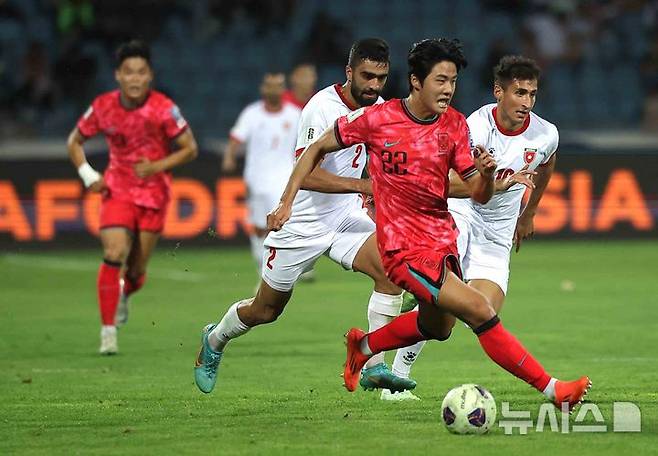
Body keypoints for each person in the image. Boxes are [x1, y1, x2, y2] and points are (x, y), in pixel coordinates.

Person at [268, 38, 590, 411]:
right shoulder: (378, 118)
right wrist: (286, 202)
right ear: (417, 81)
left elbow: (475, 192)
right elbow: (317, 148)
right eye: (440, 81)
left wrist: (486, 178)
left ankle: (364, 346)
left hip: (442, 241)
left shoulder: (453, 126)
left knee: (439, 327)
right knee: (481, 311)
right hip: (402, 248)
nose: (448, 90)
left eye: (453, 82)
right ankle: (554, 391)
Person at [194, 38, 414, 395]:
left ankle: (373, 365)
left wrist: (377, 190)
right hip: (303, 222)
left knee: (391, 272)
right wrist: (362, 188)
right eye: (367, 76)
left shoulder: (380, 108)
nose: (374, 86)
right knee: (265, 311)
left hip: (345, 218)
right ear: (349, 72)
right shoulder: (320, 108)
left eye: (381, 77)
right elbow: (307, 173)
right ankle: (215, 340)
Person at [385, 55, 554, 401]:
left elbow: (547, 163)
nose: (527, 102)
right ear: (498, 92)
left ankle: (417, 300)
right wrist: (497, 182)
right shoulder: (472, 127)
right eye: (520, 93)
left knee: (479, 311)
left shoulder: (545, 134)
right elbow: (445, 182)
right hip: (461, 215)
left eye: (532, 95)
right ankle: (397, 377)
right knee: (448, 300)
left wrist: (529, 213)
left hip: (497, 233)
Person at [67, 40, 198, 355]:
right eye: (129, 72)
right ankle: (108, 331)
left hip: (154, 195)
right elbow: (75, 141)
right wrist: (89, 175)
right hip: (117, 189)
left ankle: (126, 290)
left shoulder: (164, 108)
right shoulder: (102, 106)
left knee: (137, 270)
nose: (135, 79)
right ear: (118, 76)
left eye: (141, 72)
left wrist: (156, 166)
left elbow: (190, 149)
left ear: (149, 75)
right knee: (114, 252)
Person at [222, 71, 301, 276]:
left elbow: (306, 143)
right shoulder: (252, 113)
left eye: (278, 85)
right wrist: (229, 156)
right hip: (256, 179)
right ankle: (262, 266)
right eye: (270, 85)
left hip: (284, 178)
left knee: (283, 224)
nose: (274, 89)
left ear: (284, 89)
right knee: (258, 226)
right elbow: (236, 137)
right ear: (263, 88)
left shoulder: (294, 114)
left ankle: (280, 269)